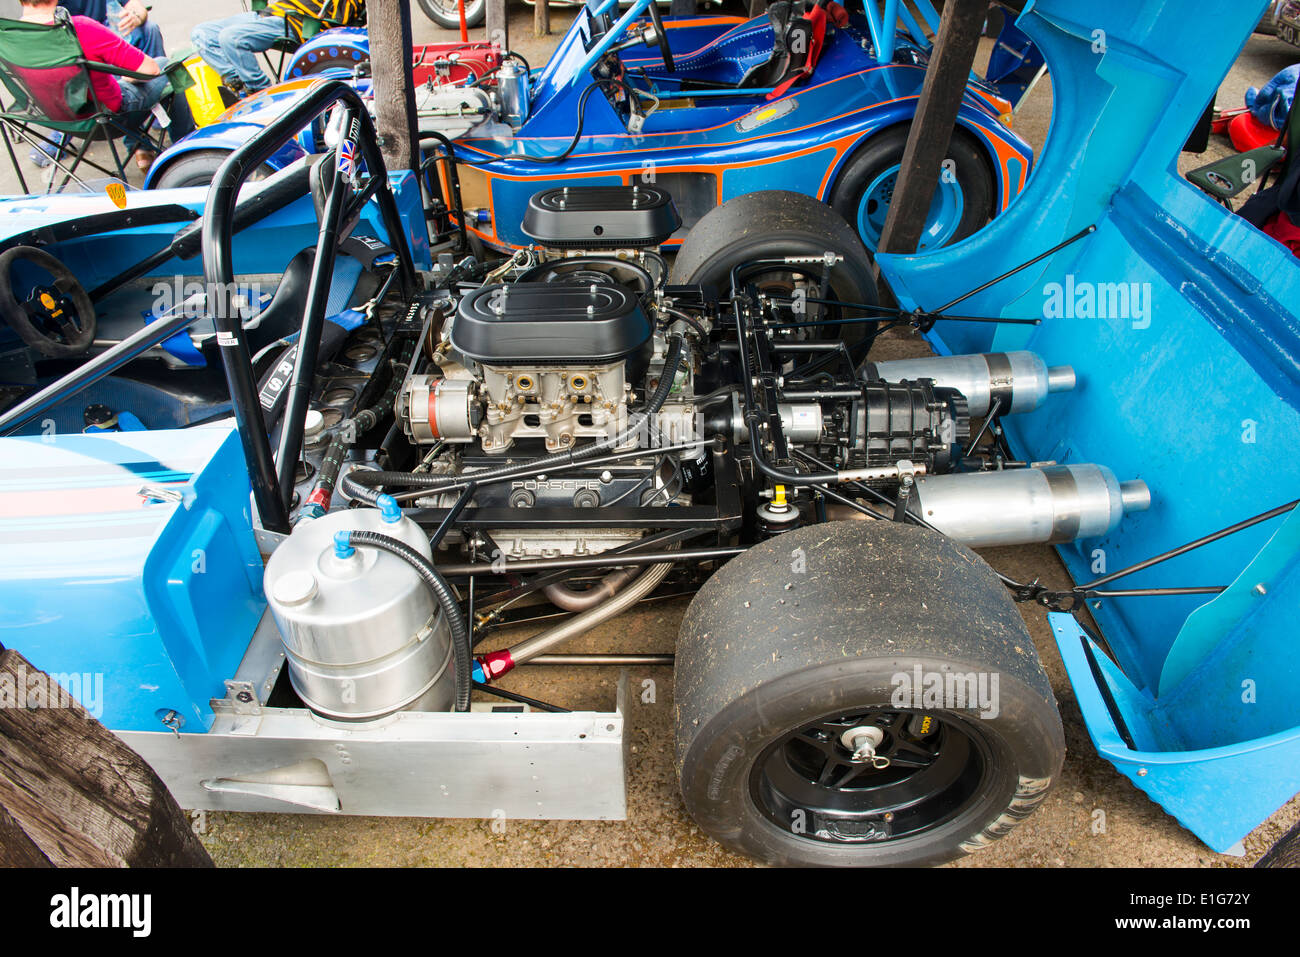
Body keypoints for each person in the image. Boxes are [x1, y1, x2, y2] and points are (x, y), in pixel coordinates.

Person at [16, 0, 191, 172]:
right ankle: (187, 155)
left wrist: (136, 16)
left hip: (59, 118)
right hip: (108, 117)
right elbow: (151, 69)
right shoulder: (79, 28)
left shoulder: (11, 38)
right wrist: (129, 77)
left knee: (147, 30)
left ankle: (141, 146)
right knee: (166, 66)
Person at [192, 1, 366, 96]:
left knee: (231, 38)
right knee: (201, 33)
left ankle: (261, 92)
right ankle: (238, 83)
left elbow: (341, 16)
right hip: (269, 14)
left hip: (295, 21)